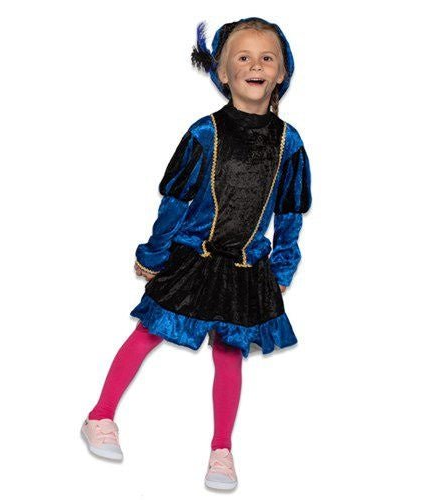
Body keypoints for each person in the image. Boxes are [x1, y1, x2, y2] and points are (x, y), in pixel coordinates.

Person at [81, 16, 312, 491]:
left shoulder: (290, 143)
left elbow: (290, 212)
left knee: (229, 353)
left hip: (245, 266)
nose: (255, 65)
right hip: (193, 258)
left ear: (282, 72)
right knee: (148, 333)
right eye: (243, 57)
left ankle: (221, 450)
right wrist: (154, 254)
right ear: (223, 72)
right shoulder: (205, 133)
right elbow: (175, 202)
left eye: (266, 58)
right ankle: (100, 416)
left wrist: (283, 266)